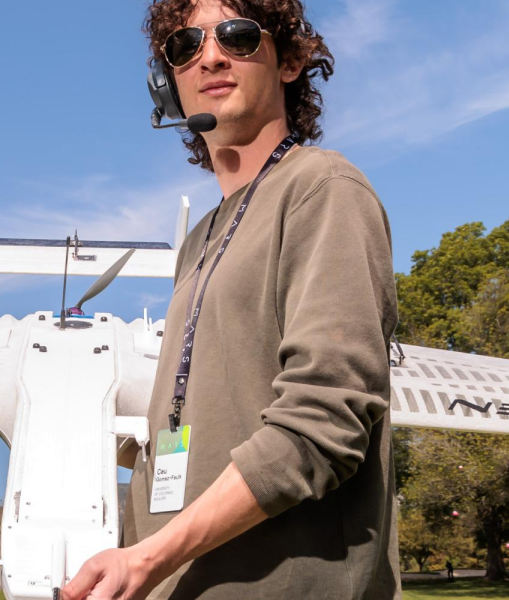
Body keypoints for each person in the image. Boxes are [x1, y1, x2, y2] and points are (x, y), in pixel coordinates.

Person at [61, 0, 399, 599]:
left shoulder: (323, 189)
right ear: (168, 82)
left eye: (238, 36)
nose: (211, 56)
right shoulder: (197, 242)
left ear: (289, 61)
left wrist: (151, 556)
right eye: (185, 45)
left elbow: (324, 421)